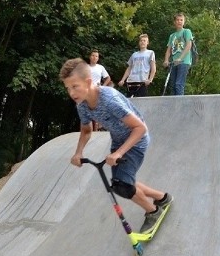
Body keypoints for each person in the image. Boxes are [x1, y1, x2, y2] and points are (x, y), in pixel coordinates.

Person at [60, 58, 172, 234]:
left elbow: (140, 128)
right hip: (119, 141)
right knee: (121, 183)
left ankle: (153, 211)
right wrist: (78, 152)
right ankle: (162, 198)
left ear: (88, 82)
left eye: (75, 86)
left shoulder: (109, 100)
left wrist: (119, 153)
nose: (71, 92)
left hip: (136, 141)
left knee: (124, 186)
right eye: (68, 88)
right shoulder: (82, 105)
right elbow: (86, 131)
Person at [163, 13, 193, 95]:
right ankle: (174, 106)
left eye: (181, 20)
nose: (179, 22)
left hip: (184, 62)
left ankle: (180, 106)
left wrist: (180, 58)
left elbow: (188, 45)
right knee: (172, 86)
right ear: (174, 22)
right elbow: (168, 50)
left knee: (178, 84)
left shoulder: (186, 31)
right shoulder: (172, 36)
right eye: (177, 20)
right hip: (174, 63)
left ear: (184, 22)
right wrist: (166, 60)